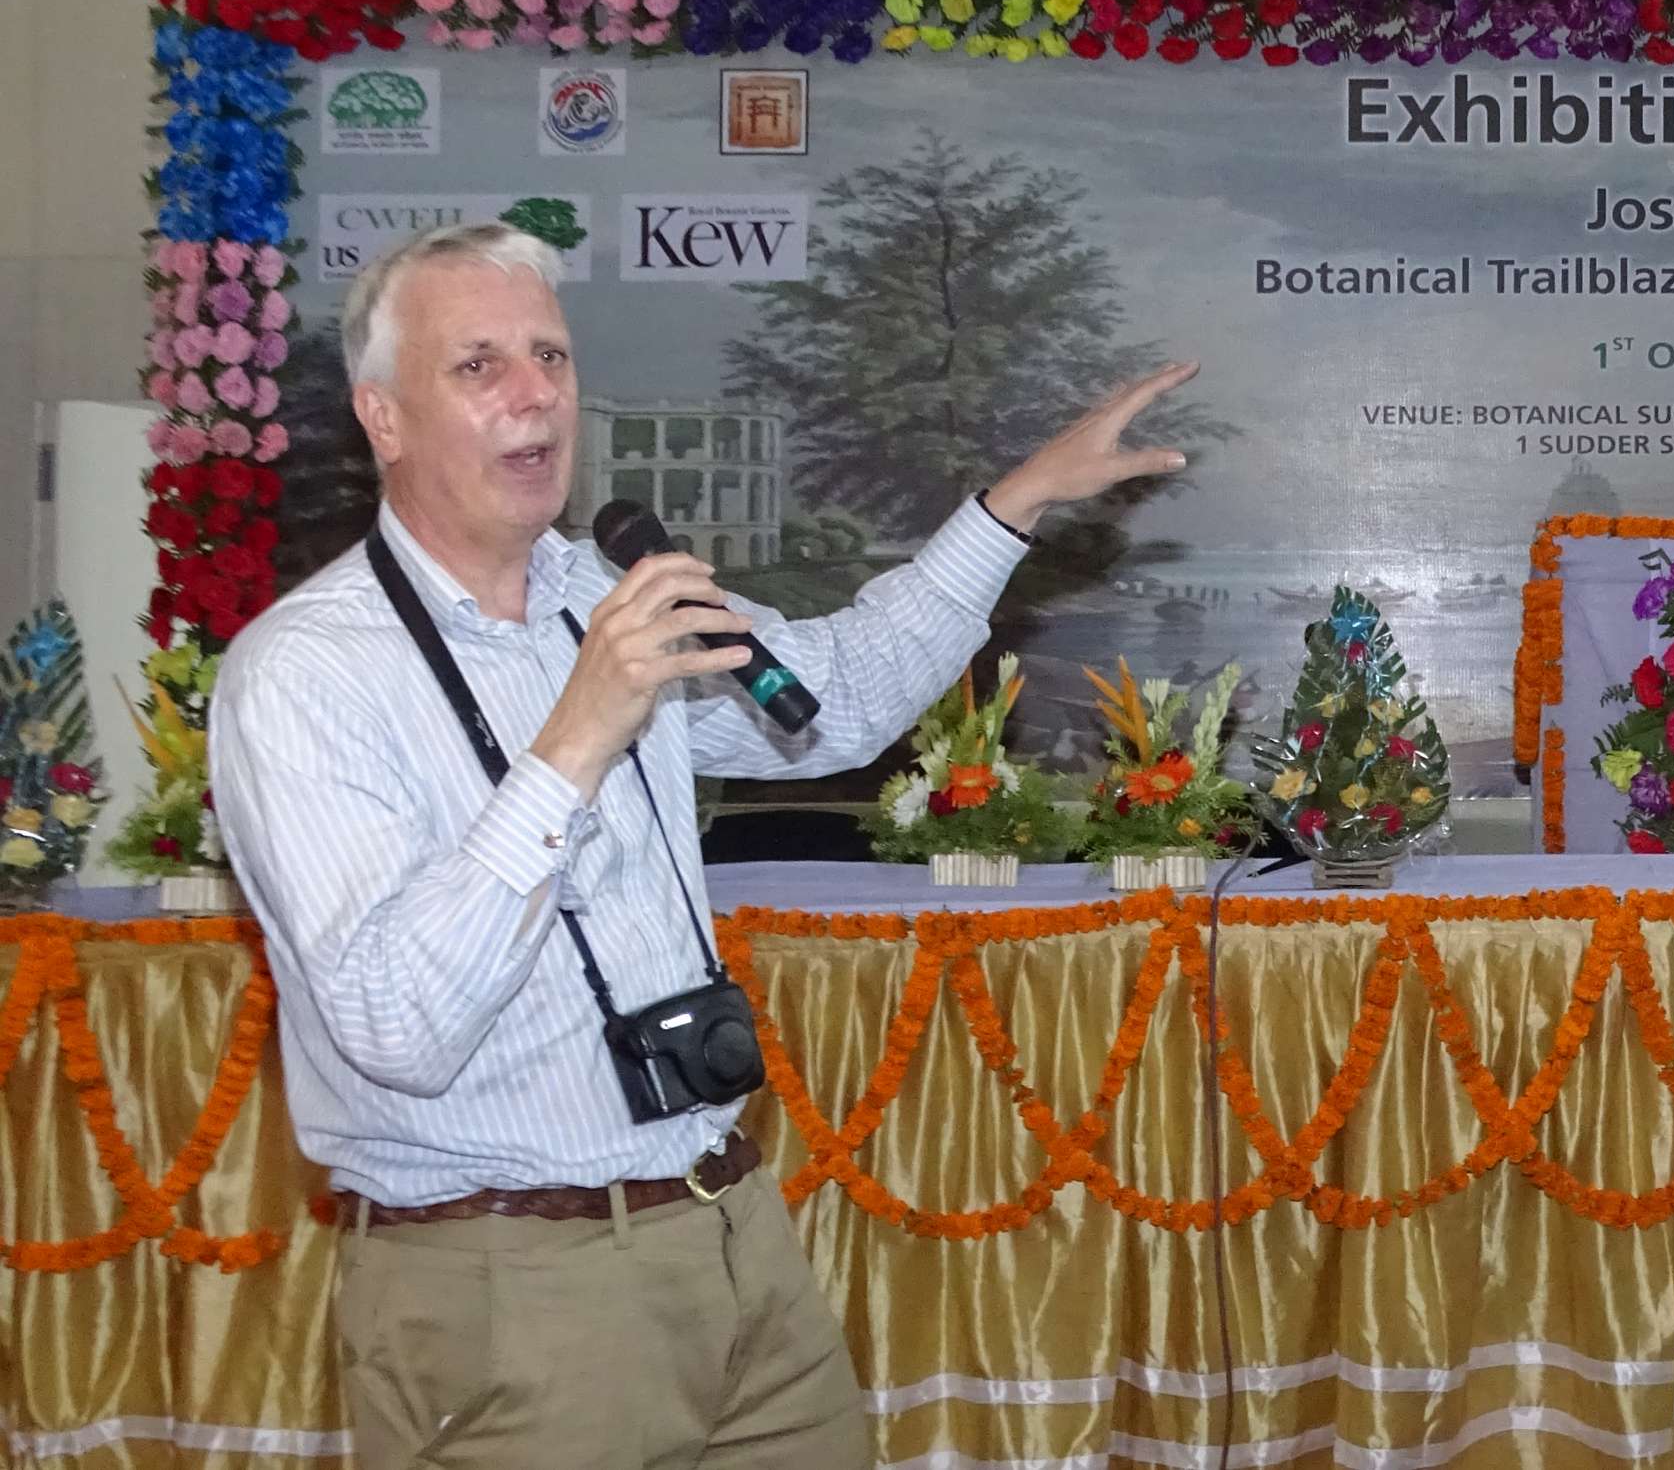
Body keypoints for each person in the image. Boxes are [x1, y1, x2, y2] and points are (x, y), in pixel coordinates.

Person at [209, 223, 1194, 1470]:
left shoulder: (600, 593)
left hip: (731, 1237)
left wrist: (1012, 506)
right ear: (384, 420)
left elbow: (831, 697)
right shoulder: (306, 674)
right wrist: (574, 740)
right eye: (478, 366)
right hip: (512, 1289)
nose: (535, 396)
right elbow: (396, 1025)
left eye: (551, 357)